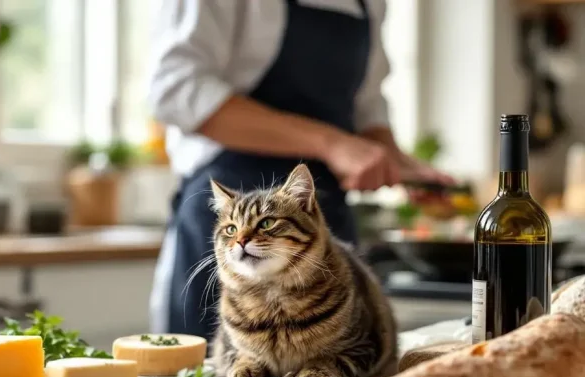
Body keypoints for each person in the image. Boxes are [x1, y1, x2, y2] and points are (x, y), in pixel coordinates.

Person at [148, 0, 453, 340]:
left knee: (339, 375)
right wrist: (332, 144)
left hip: (324, 224)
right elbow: (175, 89)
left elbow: (366, 106)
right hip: (235, 222)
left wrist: (398, 161)